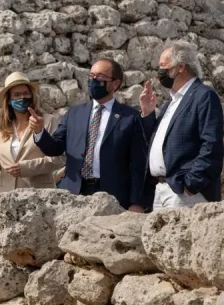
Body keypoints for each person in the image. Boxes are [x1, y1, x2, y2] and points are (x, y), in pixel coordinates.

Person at [29, 58, 148, 212]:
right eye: (91, 76)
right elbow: (55, 148)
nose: (93, 80)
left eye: (99, 77)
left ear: (115, 84)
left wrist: (136, 202)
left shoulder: (129, 117)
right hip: (73, 194)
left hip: (112, 196)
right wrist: (40, 131)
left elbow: (139, 164)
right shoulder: (74, 113)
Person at [139, 41, 224, 209]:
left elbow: (212, 144)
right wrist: (148, 114)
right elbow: (161, 142)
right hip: (161, 189)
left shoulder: (203, 96)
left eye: (163, 66)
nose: (159, 71)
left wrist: (191, 184)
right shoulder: (170, 102)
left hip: (183, 192)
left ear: (180, 67)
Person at [0, 72, 64, 191]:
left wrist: (26, 168)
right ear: (9, 100)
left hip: (40, 195)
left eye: (25, 93)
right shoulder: (0, 128)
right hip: (7, 196)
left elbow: (58, 159)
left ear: (32, 96)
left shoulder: (47, 122)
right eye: (17, 94)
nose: (22, 98)